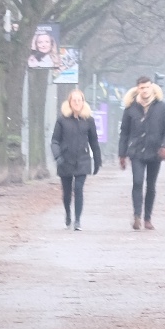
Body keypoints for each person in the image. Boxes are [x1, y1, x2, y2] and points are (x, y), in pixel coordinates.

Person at [117, 77, 165, 230]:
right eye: (142, 88)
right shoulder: (130, 109)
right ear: (137, 89)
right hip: (136, 152)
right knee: (137, 182)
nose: (145, 90)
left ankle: (148, 217)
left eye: (147, 87)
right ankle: (137, 216)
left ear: (152, 88)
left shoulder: (161, 107)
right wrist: (122, 154)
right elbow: (124, 133)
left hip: (155, 152)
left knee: (151, 185)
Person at [51, 88, 104, 230]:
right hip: (65, 159)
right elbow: (55, 141)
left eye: (79, 100)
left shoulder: (89, 120)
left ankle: (78, 220)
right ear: (69, 102)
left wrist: (97, 161)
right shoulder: (62, 120)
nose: (77, 103)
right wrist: (58, 156)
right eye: (74, 100)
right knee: (67, 191)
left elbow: (94, 142)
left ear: (83, 102)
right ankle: (68, 213)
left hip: (83, 159)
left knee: (78, 188)